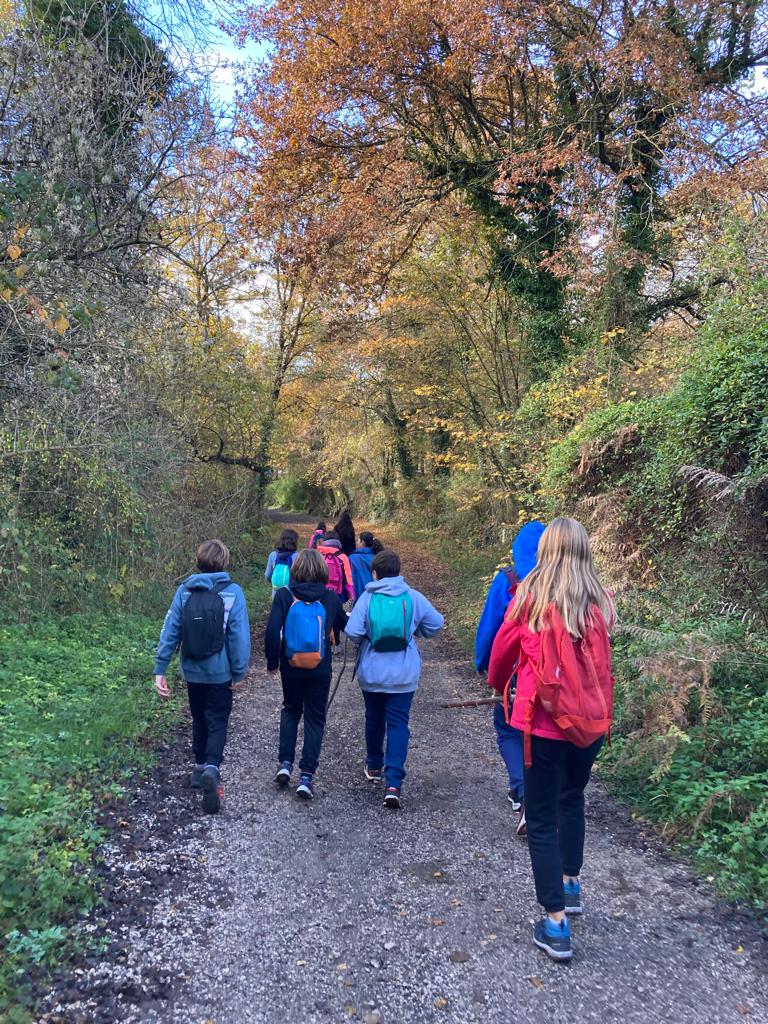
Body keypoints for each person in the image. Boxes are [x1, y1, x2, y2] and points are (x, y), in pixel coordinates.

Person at [487, 518, 614, 962]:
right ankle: (571, 885)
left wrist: (498, 685)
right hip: (591, 724)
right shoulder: (599, 602)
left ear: (546, 551)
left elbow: (501, 657)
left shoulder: (531, 599)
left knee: (540, 819)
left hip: (543, 726)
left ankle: (556, 924)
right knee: (572, 797)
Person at [154, 539, 251, 814]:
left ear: (199, 561)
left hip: (193, 671)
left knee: (198, 717)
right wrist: (239, 671)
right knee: (217, 719)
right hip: (220, 674)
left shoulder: (184, 591)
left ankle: (198, 768)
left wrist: (161, 668)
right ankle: (211, 767)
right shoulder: (233, 593)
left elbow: (171, 630)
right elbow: (238, 637)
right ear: (224, 561)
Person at [345, 548, 444, 809]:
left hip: (372, 673)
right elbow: (436, 624)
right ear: (398, 572)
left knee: (374, 718)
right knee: (399, 723)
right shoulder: (413, 597)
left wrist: (368, 638)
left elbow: (352, 631)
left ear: (374, 573)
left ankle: (374, 766)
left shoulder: (367, 598)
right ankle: (393, 783)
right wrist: (416, 631)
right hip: (403, 674)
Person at [475, 521, 545, 833]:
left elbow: (492, 627)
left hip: (518, 673)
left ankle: (523, 791)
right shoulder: (566, 583)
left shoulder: (509, 580)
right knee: (544, 733)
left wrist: (484, 664)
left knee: (507, 730)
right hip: (558, 678)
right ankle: (545, 796)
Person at [265, 549, 348, 800]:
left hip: (290, 665)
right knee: (315, 718)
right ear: (322, 570)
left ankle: (284, 764)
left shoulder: (284, 595)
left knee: (291, 710)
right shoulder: (330, 598)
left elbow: (272, 631)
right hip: (319, 668)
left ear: (296, 569)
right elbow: (346, 626)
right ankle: (306, 776)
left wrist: (272, 663)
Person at [316, 530, 356, 607]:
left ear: (324, 541)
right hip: (339, 595)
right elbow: (349, 582)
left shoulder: (318, 555)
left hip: (319, 594)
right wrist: (349, 606)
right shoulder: (343, 557)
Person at [348, 531, 384, 604]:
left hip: (360, 595)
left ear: (362, 542)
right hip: (378, 594)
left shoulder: (353, 558)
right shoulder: (378, 556)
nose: (356, 543)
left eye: (358, 540)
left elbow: (349, 578)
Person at [264, 528, 299, 597]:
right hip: (293, 594)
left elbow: (267, 576)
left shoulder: (273, 555)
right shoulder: (297, 557)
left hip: (276, 594)